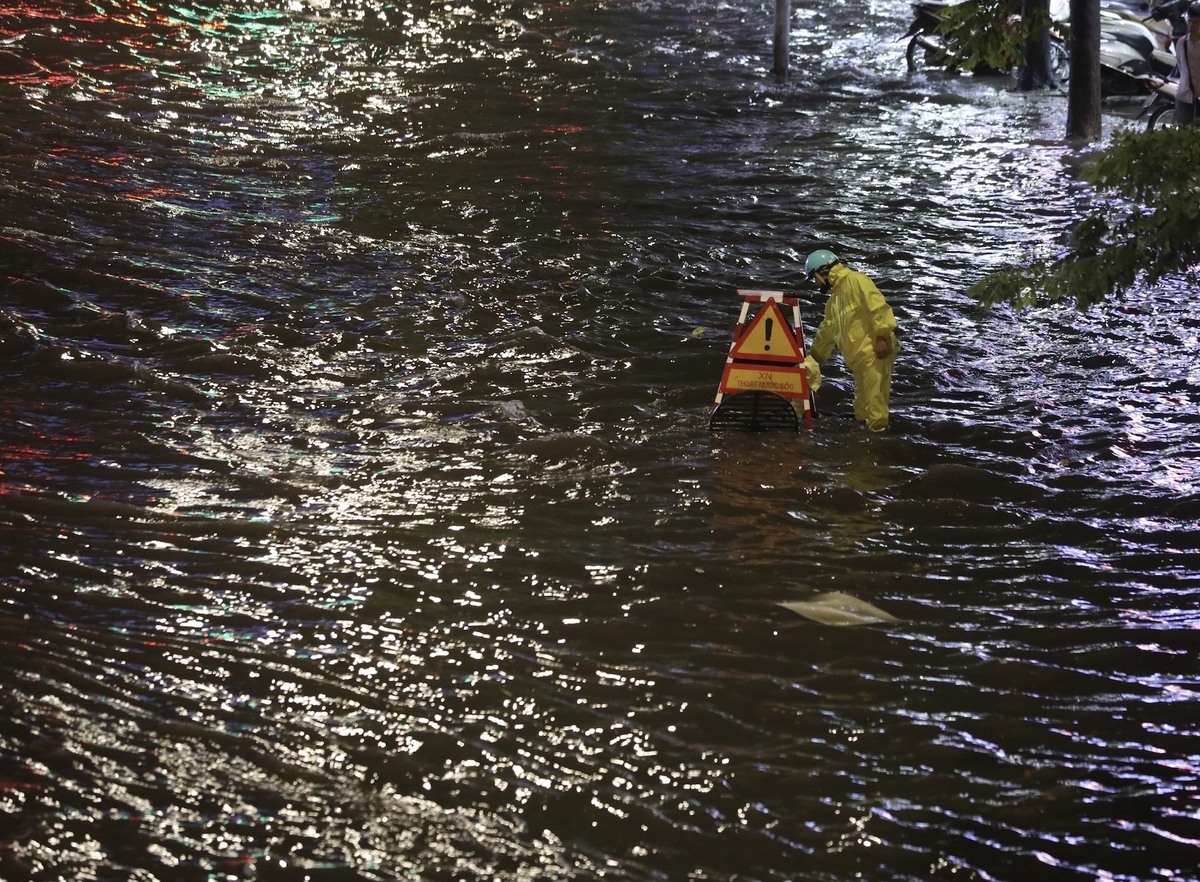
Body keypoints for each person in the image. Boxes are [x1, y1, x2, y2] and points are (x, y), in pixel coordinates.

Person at [804, 249, 899, 433]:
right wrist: (814, 358)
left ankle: (879, 443)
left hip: (874, 353)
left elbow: (878, 308)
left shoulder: (856, 280)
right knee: (861, 408)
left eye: (815, 278)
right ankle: (865, 442)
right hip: (859, 361)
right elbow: (826, 333)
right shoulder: (834, 301)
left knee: (875, 405)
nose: (816, 283)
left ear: (824, 271)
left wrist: (881, 338)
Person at [1173, 2, 1200, 125]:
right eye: (1189, 21)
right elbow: (1181, 66)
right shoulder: (1181, 43)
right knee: (1183, 136)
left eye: (1195, 22)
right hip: (1185, 96)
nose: (1190, 25)